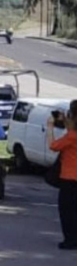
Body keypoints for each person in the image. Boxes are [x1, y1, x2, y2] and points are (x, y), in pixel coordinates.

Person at [47, 100, 77, 250]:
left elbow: (54, 146)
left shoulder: (72, 137)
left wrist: (50, 128)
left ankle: (70, 239)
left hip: (69, 177)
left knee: (67, 210)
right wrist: (66, 121)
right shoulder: (72, 134)